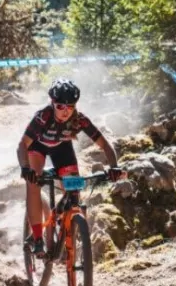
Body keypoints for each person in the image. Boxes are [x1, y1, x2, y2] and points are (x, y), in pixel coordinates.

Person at [17, 78, 123, 257]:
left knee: (74, 191)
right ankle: (37, 239)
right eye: (60, 106)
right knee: (34, 181)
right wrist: (25, 168)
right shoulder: (42, 117)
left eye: (70, 106)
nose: (65, 111)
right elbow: (22, 145)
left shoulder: (79, 120)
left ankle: (64, 218)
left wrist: (114, 167)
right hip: (37, 146)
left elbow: (104, 144)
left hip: (61, 147)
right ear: (52, 103)